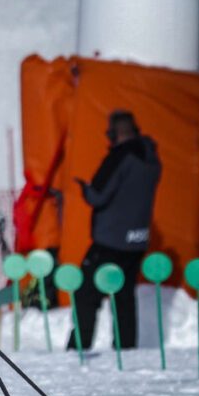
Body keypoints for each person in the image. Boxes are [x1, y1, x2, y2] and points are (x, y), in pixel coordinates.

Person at [68, 110, 161, 351]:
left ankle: (79, 348)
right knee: (124, 298)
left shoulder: (121, 156)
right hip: (137, 241)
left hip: (111, 240)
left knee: (86, 295)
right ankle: (126, 349)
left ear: (115, 132)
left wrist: (85, 189)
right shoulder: (151, 157)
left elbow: (98, 195)